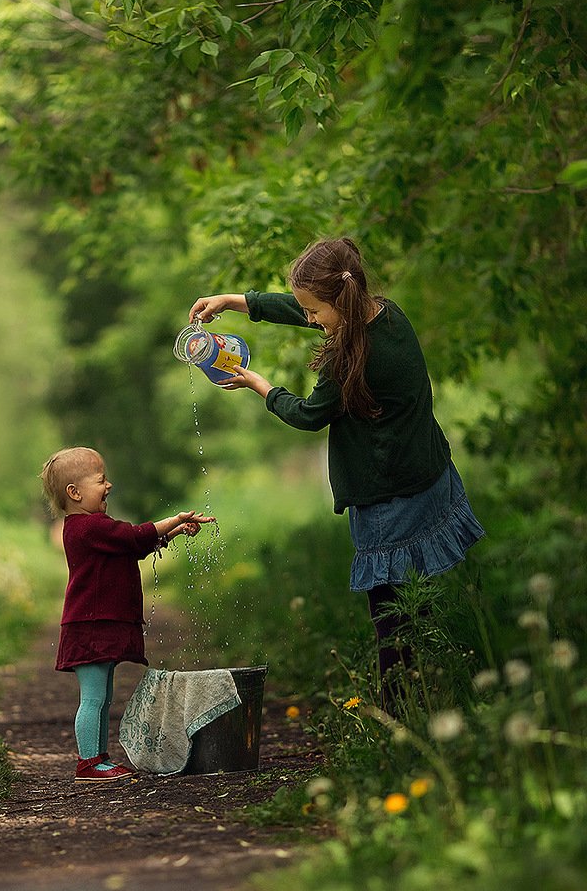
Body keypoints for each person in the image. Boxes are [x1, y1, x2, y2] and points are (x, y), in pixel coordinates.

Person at [189, 237, 484, 711]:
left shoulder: (349, 359)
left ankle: (400, 713)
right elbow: (306, 305)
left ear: (339, 302)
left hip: (390, 495)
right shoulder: (386, 314)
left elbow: (309, 415)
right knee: (418, 603)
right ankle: (433, 694)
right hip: (424, 474)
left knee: (391, 614)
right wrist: (238, 302)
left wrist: (259, 385)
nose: (309, 320)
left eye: (314, 312)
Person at [40, 446, 215, 783]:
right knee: (93, 698)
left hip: (95, 624)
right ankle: (88, 763)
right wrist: (173, 520)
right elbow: (132, 536)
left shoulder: (92, 526)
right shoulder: (86, 527)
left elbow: (129, 547)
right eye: (101, 480)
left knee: (103, 697)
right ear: (74, 493)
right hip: (88, 626)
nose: (109, 486)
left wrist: (172, 532)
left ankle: (98, 757)